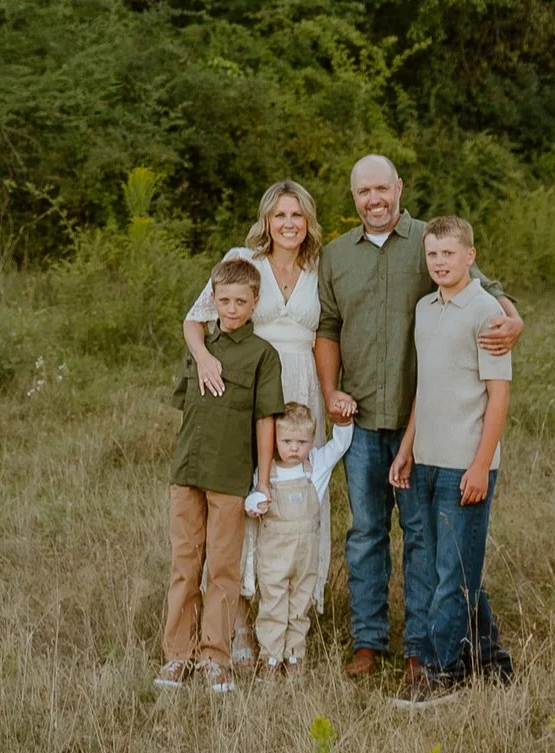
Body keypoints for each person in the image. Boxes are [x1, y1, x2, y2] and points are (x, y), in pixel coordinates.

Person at [314, 153, 522, 686]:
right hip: (361, 420)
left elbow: (487, 287)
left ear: (399, 188)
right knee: (365, 532)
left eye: (383, 188)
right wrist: (330, 390)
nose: (375, 200)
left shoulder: (429, 241)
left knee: (424, 537)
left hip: (423, 427)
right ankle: (368, 640)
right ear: (354, 197)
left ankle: (423, 646)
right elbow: (329, 327)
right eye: (364, 192)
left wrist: (513, 317)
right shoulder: (337, 256)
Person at [389, 215, 512, 700]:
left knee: (455, 570)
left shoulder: (487, 314)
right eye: (433, 254)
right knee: (447, 567)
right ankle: (490, 659)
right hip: (425, 458)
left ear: (470, 257)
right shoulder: (424, 308)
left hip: (465, 461)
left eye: (449, 254)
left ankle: (441, 673)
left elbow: (498, 398)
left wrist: (481, 464)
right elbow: (426, 387)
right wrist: (406, 448)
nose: (440, 262)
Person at [159, 252, 281, 692]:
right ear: (212, 301)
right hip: (188, 471)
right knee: (184, 564)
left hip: (230, 476)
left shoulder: (262, 356)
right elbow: (186, 408)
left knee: (223, 571)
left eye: (240, 302)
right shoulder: (200, 351)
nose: (231, 309)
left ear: (254, 303)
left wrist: (262, 482)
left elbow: (265, 419)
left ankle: (215, 656)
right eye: (224, 301)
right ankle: (177, 655)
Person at [183, 180, 327, 427]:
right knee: (251, 462)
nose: (289, 224)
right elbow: (194, 320)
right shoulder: (244, 260)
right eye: (280, 215)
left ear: (308, 221)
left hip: (303, 384)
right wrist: (204, 358)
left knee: (298, 461)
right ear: (267, 221)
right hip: (251, 378)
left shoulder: (321, 268)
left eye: (297, 215)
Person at [238, 398, 354, 673]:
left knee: (300, 604)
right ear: (275, 439)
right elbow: (250, 500)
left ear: (311, 441)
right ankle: (270, 655)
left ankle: (294, 654)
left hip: (305, 558)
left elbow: (340, 445)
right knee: (273, 603)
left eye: (301, 443)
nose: (293, 448)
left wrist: (344, 420)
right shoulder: (266, 472)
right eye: (287, 441)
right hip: (274, 558)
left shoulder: (315, 467)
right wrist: (255, 505)